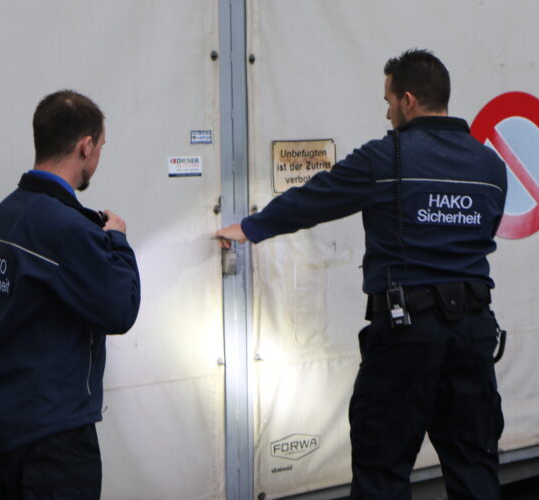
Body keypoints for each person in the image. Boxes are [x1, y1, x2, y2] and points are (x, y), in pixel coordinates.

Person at [216, 49, 507, 499]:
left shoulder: (385, 158)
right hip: (473, 332)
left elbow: (315, 199)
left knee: (382, 468)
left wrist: (250, 228)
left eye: (388, 101)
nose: (387, 112)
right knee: (474, 465)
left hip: (407, 334)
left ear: (408, 100)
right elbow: (485, 231)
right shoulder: (490, 167)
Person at [0, 90, 141, 500]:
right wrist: (117, 241)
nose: (98, 156)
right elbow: (121, 309)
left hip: (5, 438)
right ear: (86, 146)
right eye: (101, 147)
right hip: (54, 445)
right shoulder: (68, 229)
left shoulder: (3, 216)